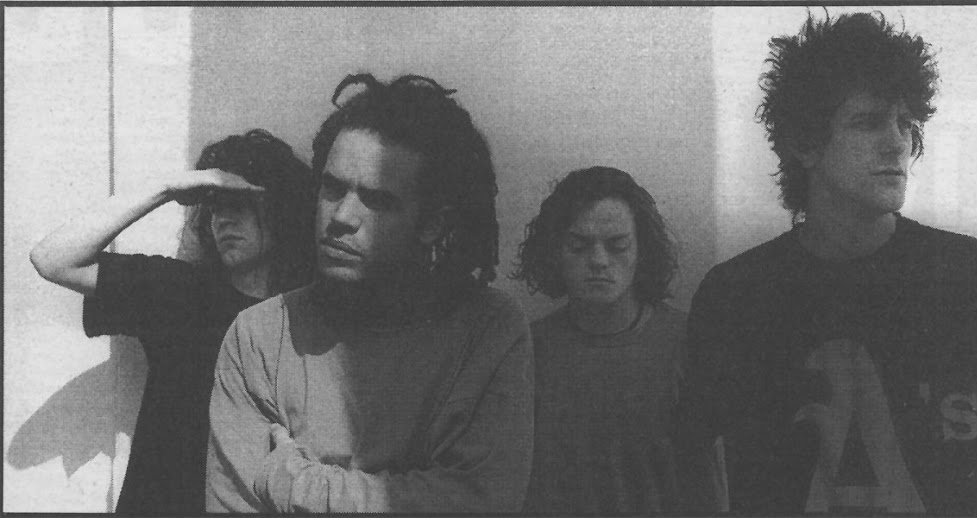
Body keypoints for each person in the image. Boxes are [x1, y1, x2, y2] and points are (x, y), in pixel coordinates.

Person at [680, 11, 977, 515]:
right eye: (867, 122)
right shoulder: (736, 296)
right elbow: (696, 469)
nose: (897, 142)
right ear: (805, 143)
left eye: (905, 122)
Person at [205, 73, 534, 513]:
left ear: (432, 223)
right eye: (332, 188)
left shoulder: (488, 331)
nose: (341, 216)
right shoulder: (260, 337)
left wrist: (296, 484)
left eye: (376, 200)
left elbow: (482, 503)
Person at [29, 129, 317, 513]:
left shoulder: (314, 315)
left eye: (240, 203)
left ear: (281, 209)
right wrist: (166, 189)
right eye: (213, 205)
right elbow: (52, 259)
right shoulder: (179, 293)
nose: (222, 218)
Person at [512, 166, 702, 513]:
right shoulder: (527, 351)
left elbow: (710, 482)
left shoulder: (687, 342)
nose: (599, 261)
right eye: (578, 246)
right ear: (555, 251)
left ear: (642, 251)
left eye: (617, 246)